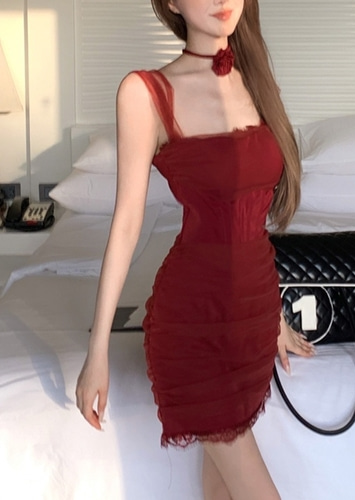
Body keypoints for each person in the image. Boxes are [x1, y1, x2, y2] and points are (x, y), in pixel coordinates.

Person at [76, 0, 315, 498]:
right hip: (194, 325)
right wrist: (98, 351)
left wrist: (274, 317)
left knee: (220, 488)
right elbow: (127, 223)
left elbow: (249, 219)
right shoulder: (145, 92)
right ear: (170, 2)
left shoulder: (257, 81)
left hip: (252, 320)